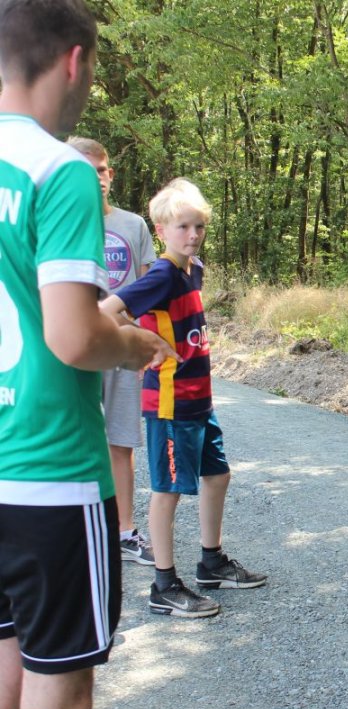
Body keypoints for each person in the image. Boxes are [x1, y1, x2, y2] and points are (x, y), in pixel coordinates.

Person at [0, 2, 175, 709]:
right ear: (74, 61)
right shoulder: (60, 168)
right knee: (58, 701)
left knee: (6, 674)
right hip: (48, 473)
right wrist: (133, 346)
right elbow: (73, 337)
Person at [100, 178, 267, 618]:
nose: (193, 235)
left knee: (218, 475)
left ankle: (211, 563)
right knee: (168, 491)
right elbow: (106, 311)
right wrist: (142, 340)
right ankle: (164, 584)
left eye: (199, 227)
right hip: (170, 405)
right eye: (183, 227)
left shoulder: (193, 269)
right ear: (160, 231)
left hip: (200, 401)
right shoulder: (160, 275)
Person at [68, 135, 159, 566]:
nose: (96, 178)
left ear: (111, 174)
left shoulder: (133, 225)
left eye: (101, 170)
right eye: (85, 171)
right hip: (77, 349)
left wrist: (145, 345)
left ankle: (124, 532)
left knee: (121, 441)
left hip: (123, 349)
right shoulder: (56, 221)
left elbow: (150, 288)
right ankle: (78, 532)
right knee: (74, 441)